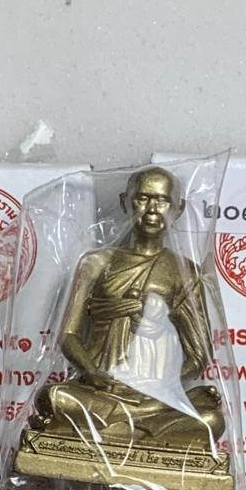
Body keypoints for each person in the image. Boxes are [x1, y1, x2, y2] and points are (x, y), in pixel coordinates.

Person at [31, 166, 225, 448]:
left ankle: (115, 428)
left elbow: (200, 353)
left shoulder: (185, 273)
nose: (152, 210)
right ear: (125, 202)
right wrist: (93, 374)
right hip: (103, 389)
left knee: (212, 421)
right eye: (143, 198)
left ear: (179, 208)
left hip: (157, 393)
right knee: (52, 397)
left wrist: (166, 387)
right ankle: (140, 429)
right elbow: (68, 335)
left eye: (162, 200)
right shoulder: (96, 263)